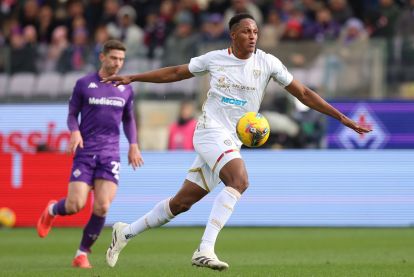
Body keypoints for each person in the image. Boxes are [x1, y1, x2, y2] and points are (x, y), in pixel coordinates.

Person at [102, 14, 371, 271]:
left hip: (232, 140)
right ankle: (204, 250)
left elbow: (303, 92)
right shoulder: (215, 60)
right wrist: (133, 77)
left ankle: (125, 232)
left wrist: (342, 117)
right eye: (246, 31)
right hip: (210, 131)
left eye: (255, 31)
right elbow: (175, 72)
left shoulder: (267, 63)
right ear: (233, 35)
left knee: (182, 203)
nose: (252, 36)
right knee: (240, 181)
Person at [36, 39, 144, 269]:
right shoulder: (84, 84)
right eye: (114, 58)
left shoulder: (126, 88)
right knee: (75, 205)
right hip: (86, 152)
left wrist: (133, 144)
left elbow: (128, 119)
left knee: (102, 206)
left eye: (121, 59)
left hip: (111, 153)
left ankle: (81, 254)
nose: (117, 63)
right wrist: (74, 131)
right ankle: (52, 210)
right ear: (102, 57)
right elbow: (72, 114)